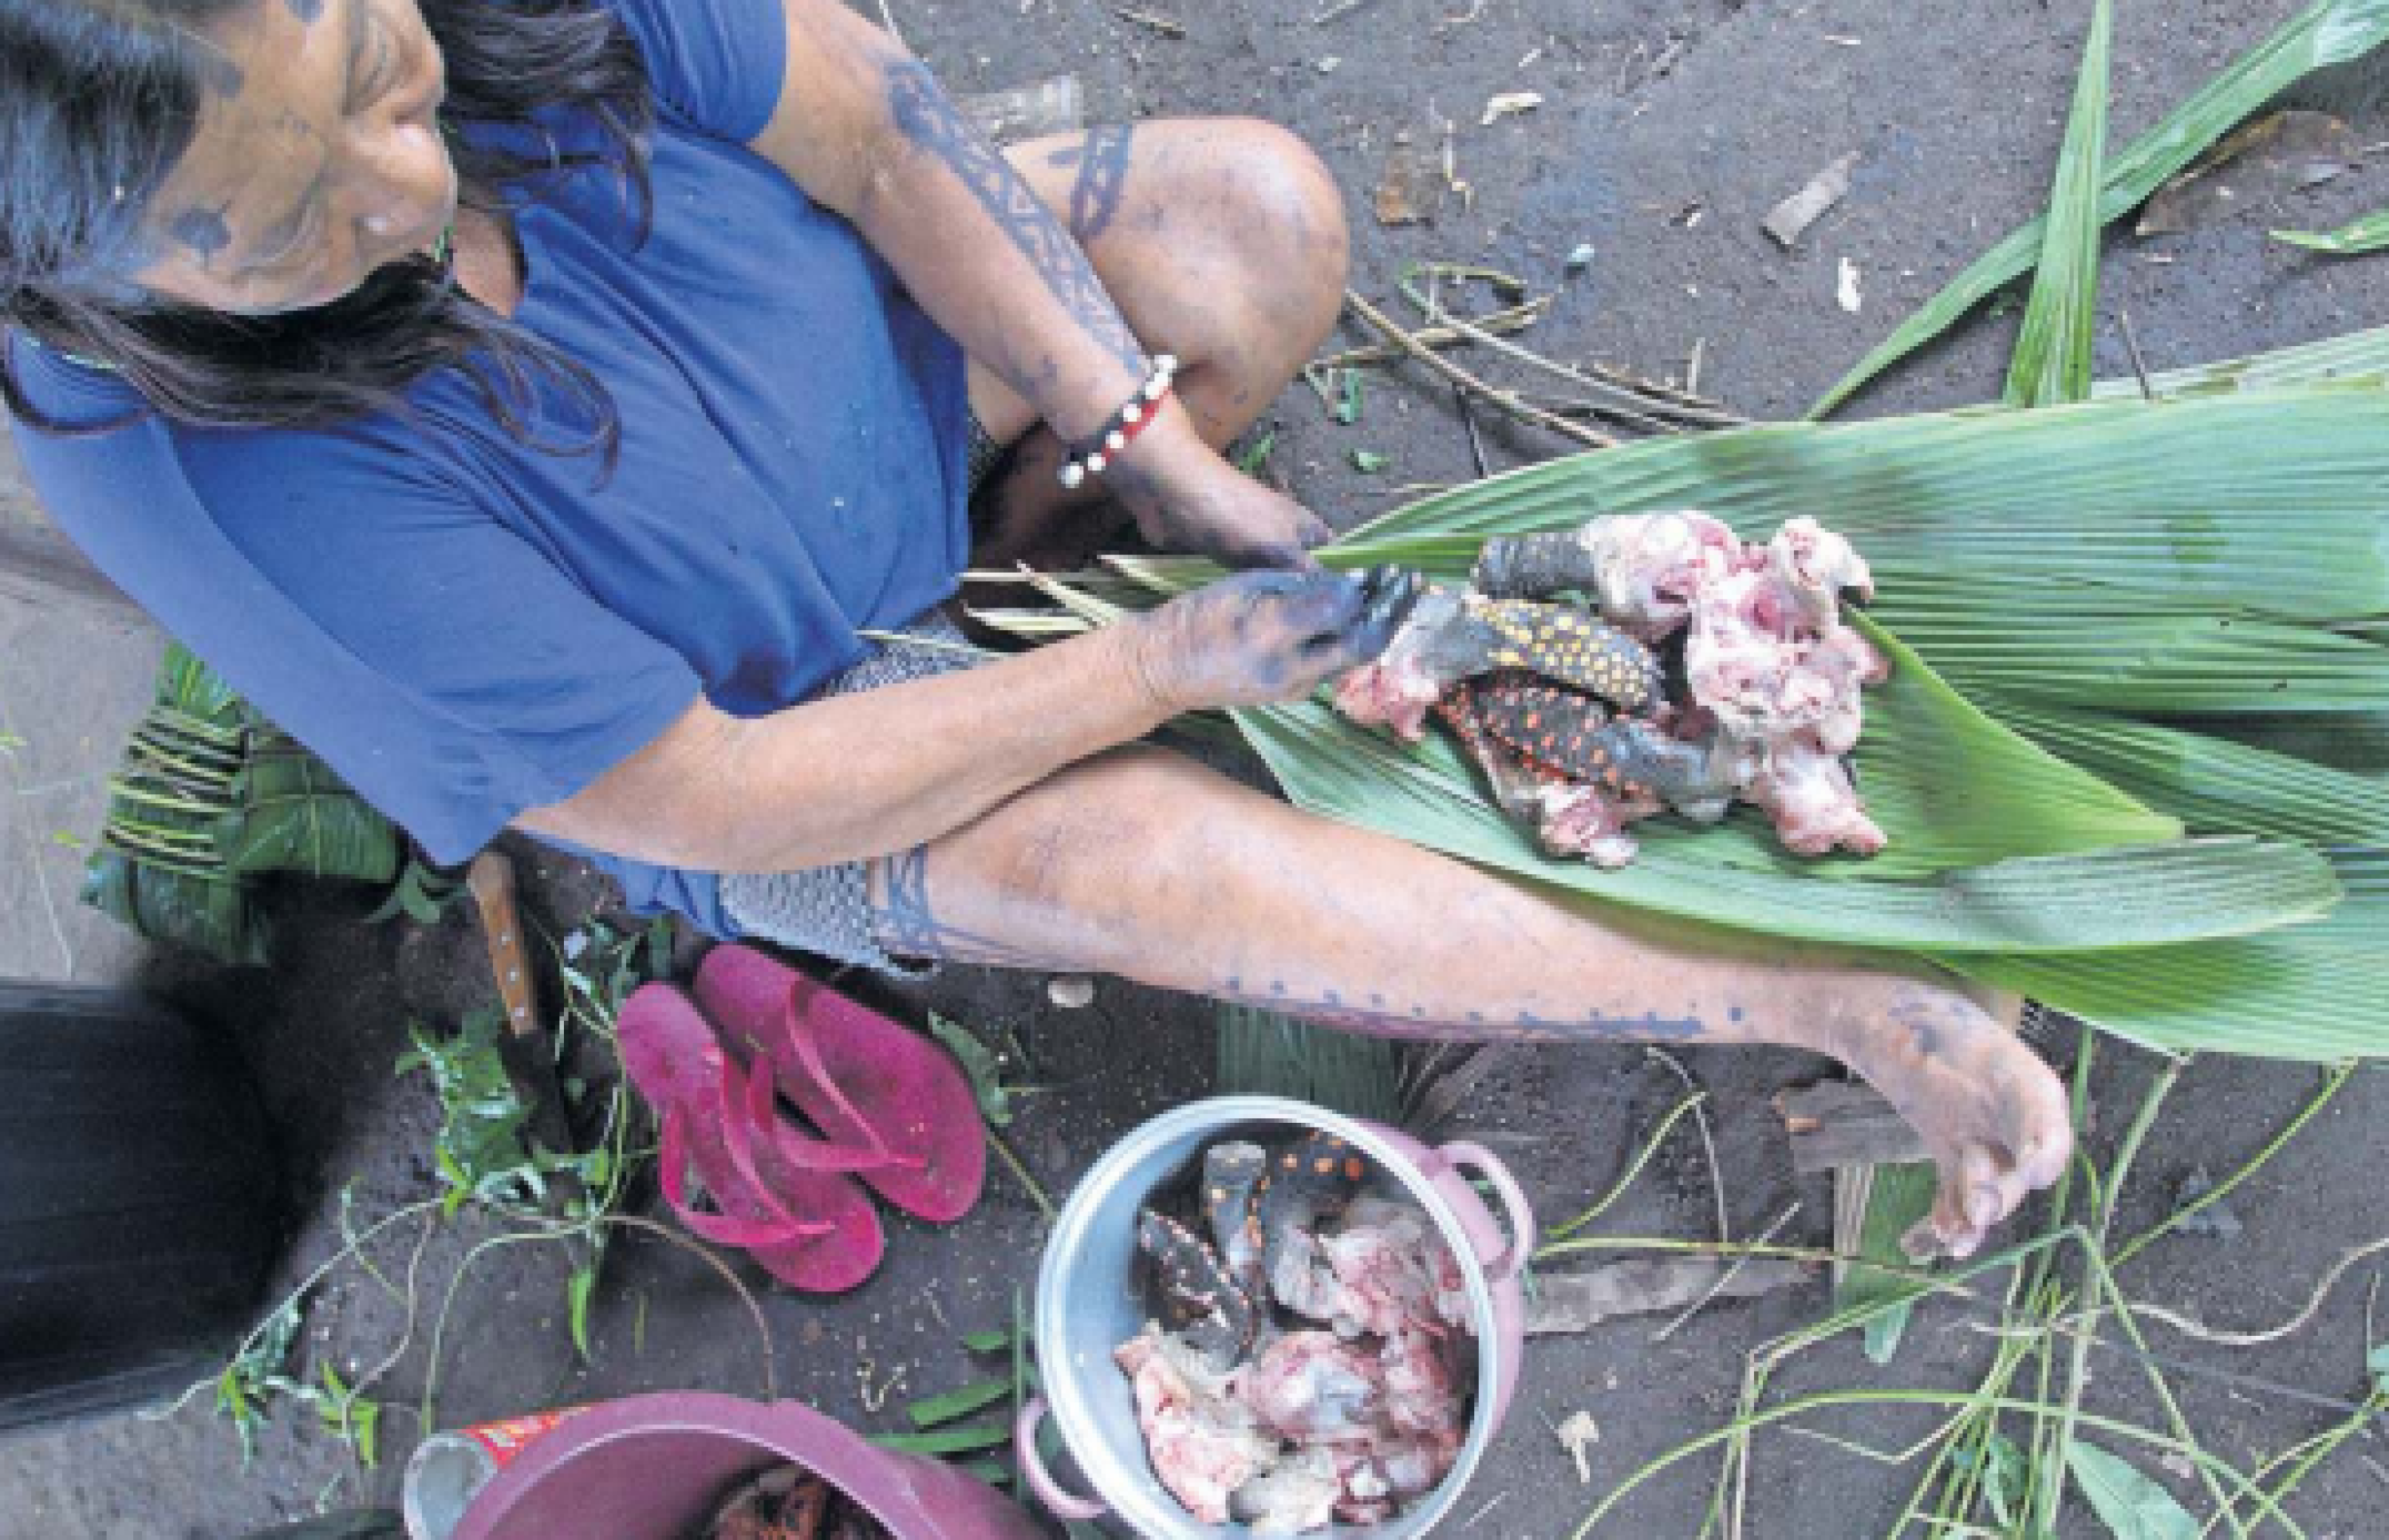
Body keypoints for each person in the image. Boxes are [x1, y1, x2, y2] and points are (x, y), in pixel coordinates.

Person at [1, 0, 2068, 1258]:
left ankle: (1012, 580)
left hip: (857, 363)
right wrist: (1146, 669)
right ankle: (1804, 994)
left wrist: (1151, 449)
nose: (400, 188)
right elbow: (706, 792)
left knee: (1253, 227)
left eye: (379, 75)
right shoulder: (202, 475)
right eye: (285, 232)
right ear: (97, 285)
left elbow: (866, 123)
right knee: (1119, 861)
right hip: (765, 717)